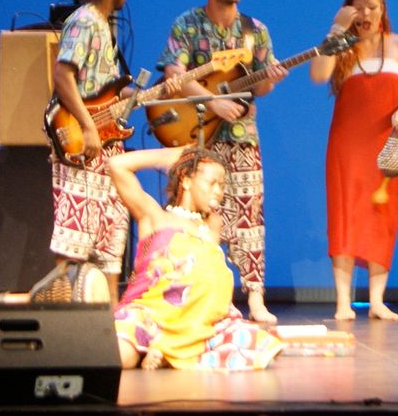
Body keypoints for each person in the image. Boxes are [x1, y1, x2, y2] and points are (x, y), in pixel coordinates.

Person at [159, 0, 287, 324]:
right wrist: (212, 100)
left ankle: (256, 299)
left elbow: (260, 87)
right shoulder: (187, 24)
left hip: (243, 137)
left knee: (250, 217)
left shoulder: (254, 30)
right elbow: (174, 73)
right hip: (200, 136)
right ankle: (210, 295)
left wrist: (271, 78)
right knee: (202, 216)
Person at [108, 144, 283, 370]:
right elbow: (117, 165)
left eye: (222, 185)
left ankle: (167, 354)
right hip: (153, 316)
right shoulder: (155, 217)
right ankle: (158, 351)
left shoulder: (211, 225)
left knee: (262, 347)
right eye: (211, 183)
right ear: (186, 180)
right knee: (122, 357)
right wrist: (165, 156)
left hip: (199, 326)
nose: (218, 191)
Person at [311, 0, 398, 320]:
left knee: (381, 215)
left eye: (373, 6)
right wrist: (336, 28)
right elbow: (318, 75)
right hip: (347, 145)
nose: (367, 13)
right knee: (344, 214)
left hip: (387, 143)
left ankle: (376, 301)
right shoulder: (341, 47)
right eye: (359, 7)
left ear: (383, 9)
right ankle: (343, 302)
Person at [47, 0, 132, 288]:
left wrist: (140, 95)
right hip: (82, 138)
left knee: (111, 228)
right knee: (75, 227)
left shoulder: (103, 25)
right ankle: (63, 301)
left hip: (106, 139)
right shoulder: (84, 21)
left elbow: (100, 87)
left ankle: (109, 313)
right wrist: (86, 125)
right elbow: (62, 75)